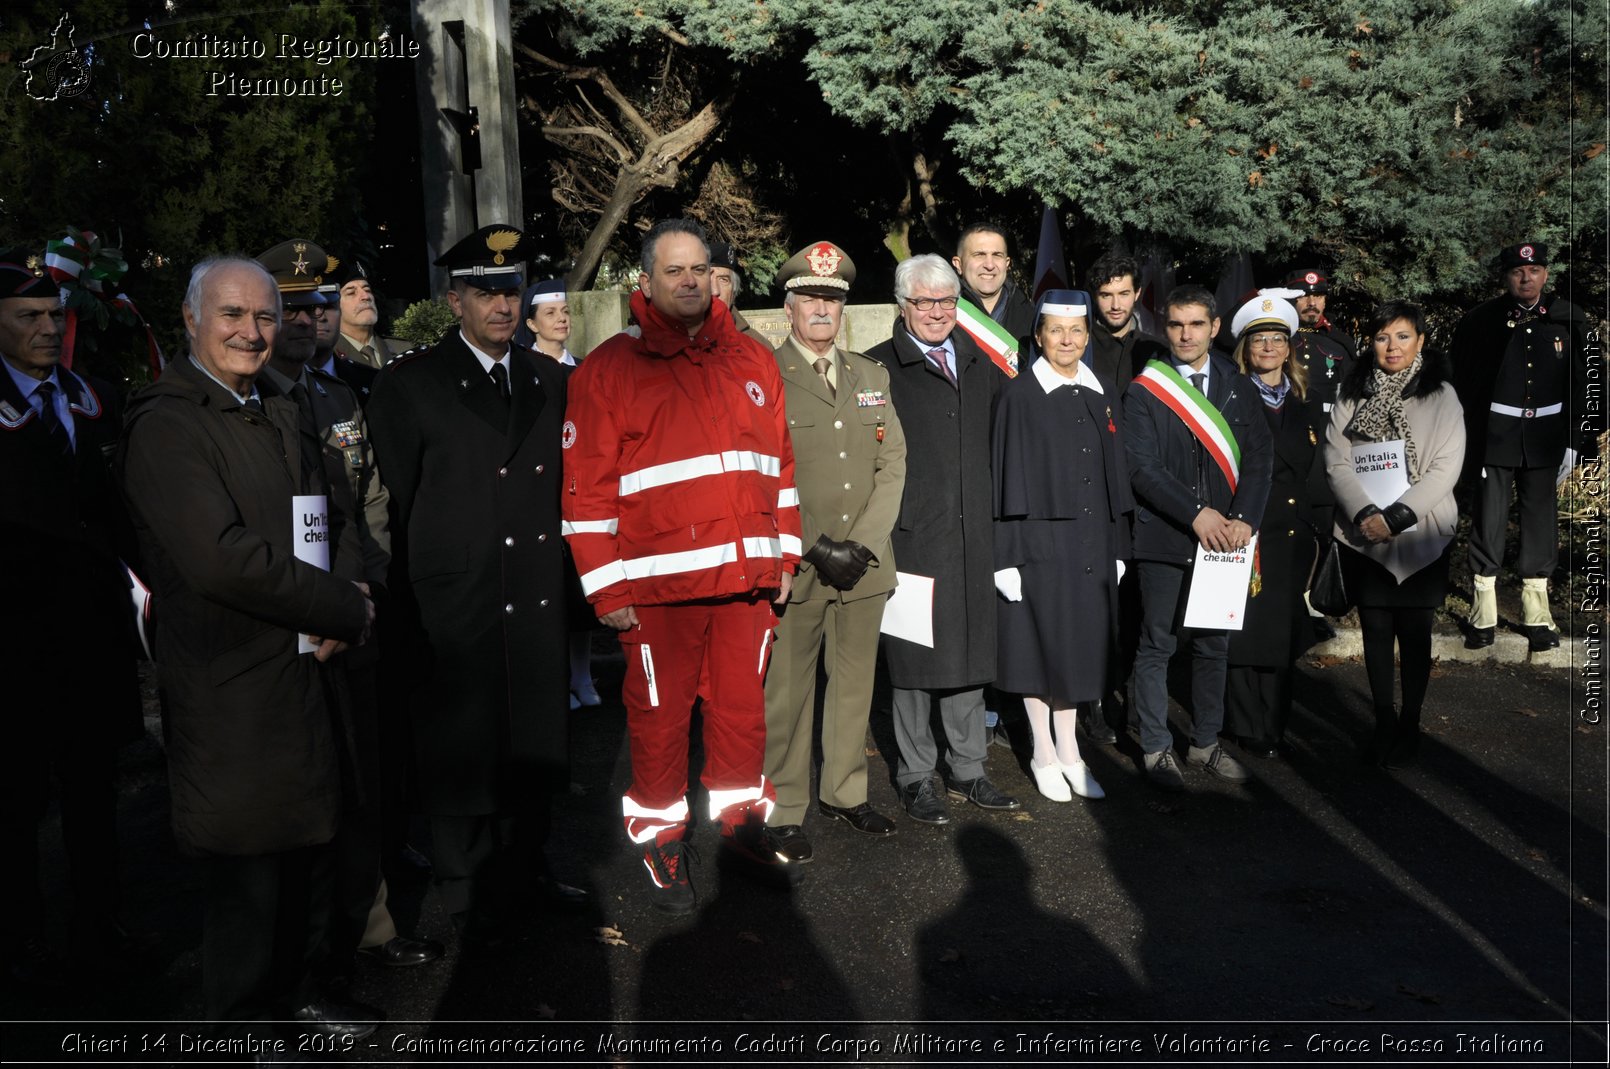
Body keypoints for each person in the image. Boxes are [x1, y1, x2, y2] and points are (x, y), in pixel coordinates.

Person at [118, 255, 377, 1040]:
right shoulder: (166, 424)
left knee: (309, 848)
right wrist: (344, 605)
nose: (252, 331)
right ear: (192, 322)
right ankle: (241, 1029)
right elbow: (219, 557)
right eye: (232, 315)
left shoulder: (278, 404)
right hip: (230, 678)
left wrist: (349, 597)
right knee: (246, 871)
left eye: (265, 317)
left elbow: (330, 516)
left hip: (306, 663)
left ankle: (302, 991)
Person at [562, 218, 802, 914]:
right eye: (674, 271)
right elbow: (584, 491)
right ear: (646, 281)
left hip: (747, 583)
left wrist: (785, 552)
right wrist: (605, 588)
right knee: (660, 721)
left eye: (700, 268)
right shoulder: (609, 370)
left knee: (739, 715)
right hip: (657, 588)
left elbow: (780, 469)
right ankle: (661, 835)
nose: (690, 281)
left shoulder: (752, 362)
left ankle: (738, 826)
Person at [366, 224, 581, 945]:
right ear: (454, 299)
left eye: (511, 289)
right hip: (455, 600)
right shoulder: (411, 384)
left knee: (535, 736)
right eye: (485, 291)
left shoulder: (551, 379)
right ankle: (464, 891)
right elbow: (391, 501)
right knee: (462, 747)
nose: (502, 304)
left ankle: (529, 866)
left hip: (534, 588)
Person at [254, 240, 442, 986]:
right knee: (299, 793)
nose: (305, 320)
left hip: (355, 614)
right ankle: (298, 951)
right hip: (285, 628)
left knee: (364, 779)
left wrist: (369, 586)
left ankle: (370, 924)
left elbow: (368, 502)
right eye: (290, 307)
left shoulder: (337, 397)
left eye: (316, 306)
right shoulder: (250, 400)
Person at [0, 247, 143, 989]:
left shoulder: (94, 396)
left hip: (91, 637)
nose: (48, 329)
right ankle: (20, 938)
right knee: (18, 802)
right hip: (15, 647)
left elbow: (118, 515)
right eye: (27, 317)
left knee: (93, 794)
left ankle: (99, 927)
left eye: (53, 315)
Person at [763, 241, 906, 862]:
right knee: (788, 692)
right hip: (800, 560)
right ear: (788, 306)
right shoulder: (764, 376)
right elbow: (763, 476)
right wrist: (819, 545)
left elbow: (892, 463)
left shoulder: (870, 377)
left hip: (864, 563)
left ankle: (846, 793)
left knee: (853, 687)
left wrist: (863, 544)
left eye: (832, 299)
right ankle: (783, 806)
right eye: (810, 298)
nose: (822, 309)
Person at [869, 254, 1020, 824]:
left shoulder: (981, 363)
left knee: (970, 652)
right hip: (913, 536)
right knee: (914, 664)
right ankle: (914, 776)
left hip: (973, 534)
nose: (935, 312)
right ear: (901, 305)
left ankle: (970, 768)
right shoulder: (880, 368)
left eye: (945, 301)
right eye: (923, 301)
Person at [1123, 285, 1272, 791]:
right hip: (1164, 537)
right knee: (1157, 644)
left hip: (1228, 539)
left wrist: (1246, 518)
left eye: (1196, 324)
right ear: (1164, 329)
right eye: (1175, 325)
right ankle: (1154, 747)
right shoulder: (1145, 388)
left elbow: (1259, 460)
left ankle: (1205, 743)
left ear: (1214, 327)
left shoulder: (1237, 383)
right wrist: (1196, 514)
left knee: (1212, 646)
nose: (1185, 335)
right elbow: (1142, 470)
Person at [992, 290, 1132, 801]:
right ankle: (1042, 751)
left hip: (1092, 541)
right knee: (1038, 646)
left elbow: (1114, 475)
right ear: (1039, 337)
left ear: (1087, 336)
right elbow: (1004, 478)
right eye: (1056, 331)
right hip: (1038, 543)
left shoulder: (1102, 392)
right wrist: (1004, 557)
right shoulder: (1019, 395)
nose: (1067, 340)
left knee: (1078, 649)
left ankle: (1070, 750)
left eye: (1076, 331)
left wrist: (1118, 545)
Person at [1326, 301, 1465, 767]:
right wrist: (1367, 513)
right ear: (1371, 341)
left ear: (1421, 341)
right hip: (1365, 531)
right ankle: (1383, 721)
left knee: (1416, 631)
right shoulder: (1353, 391)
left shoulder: (1441, 394)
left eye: (1403, 336)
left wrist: (1398, 516)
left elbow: (1447, 467)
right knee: (1376, 628)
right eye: (1383, 337)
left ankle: (1411, 721)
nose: (1392, 346)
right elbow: (1336, 457)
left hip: (1422, 532)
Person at [1451, 242, 1601, 651]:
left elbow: (1587, 385)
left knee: (1540, 519)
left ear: (1546, 275)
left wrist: (1577, 440)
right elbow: (1463, 386)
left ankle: (1537, 613)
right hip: (1495, 434)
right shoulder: (1481, 322)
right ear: (1505, 277)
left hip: (1547, 437)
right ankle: (1483, 610)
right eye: (1518, 271)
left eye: (1534, 271)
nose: (1526, 278)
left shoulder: (1570, 320)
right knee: (1489, 515)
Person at [1223, 293, 1332, 758]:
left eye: (1277, 339)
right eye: (1259, 339)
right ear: (1245, 349)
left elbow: (1319, 474)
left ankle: (1274, 723)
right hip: (1246, 531)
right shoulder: (1229, 399)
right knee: (1242, 632)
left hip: (1291, 536)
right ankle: (1245, 724)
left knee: (1282, 633)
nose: (1268, 347)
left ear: (1289, 350)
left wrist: (1321, 537)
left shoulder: (1307, 405)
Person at [513, 278, 599, 710]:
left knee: (580, 589)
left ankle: (582, 675)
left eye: (564, 311)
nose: (562, 318)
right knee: (548, 588)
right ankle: (556, 677)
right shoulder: (522, 370)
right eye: (550, 313)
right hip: (540, 490)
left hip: (579, 489)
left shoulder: (584, 368)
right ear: (530, 323)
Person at [1086, 251, 1168, 392]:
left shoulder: (1159, 351)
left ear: (1137, 293)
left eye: (1124, 294)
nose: (1116, 305)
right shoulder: (1075, 347)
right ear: (1094, 296)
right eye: (1106, 295)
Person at [1281, 267, 1354, 412]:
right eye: (1304, 296)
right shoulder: (1279, 338)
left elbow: (1350, 397)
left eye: (1318, 296)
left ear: (1325, 302)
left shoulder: (1340, 343)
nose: (1312, 303)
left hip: (1325, 427)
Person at [953, 223, 1034, 341]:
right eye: (979, 255)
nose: (989, 265)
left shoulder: (1032, 318)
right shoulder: (943, 315)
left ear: (1007, 264)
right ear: (959, 264)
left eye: (997, 255)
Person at [333, 261, 408, 370]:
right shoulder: (328, 357)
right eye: (351, 293)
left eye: (367, 290)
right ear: (334, 305)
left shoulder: (404, 350)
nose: (366, 296)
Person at [709, 241, 772, 347]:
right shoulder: (673, 344)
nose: (715, 291)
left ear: (733, 292)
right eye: (706, 279)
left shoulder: (759, 347)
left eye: (723, 280)